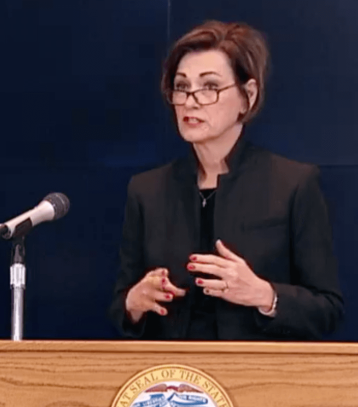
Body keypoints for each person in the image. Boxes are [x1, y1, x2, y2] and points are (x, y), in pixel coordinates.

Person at [108, 20, 343, 340]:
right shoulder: (147, 191)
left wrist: (264, 295)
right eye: (181, 86)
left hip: (256, 369)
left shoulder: (293, 185)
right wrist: (134, 303)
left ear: (248, 96)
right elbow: (121, 308)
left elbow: (327, 310)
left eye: (209, 87)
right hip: (172, 370)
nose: (190, 100)